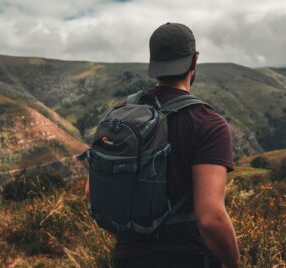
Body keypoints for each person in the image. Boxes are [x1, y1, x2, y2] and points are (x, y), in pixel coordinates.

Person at [86, 22, 240, 268]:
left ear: (153, 63)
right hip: (189, 257)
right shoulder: (209, 123)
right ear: (194, 61)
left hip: (128, 257)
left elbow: (92, 194)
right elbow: (211, 218)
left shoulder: (122, 113)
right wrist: (233, 264)